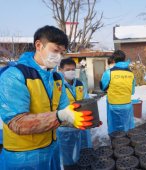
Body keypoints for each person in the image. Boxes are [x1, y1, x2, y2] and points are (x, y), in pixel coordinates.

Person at [0, 25, 93, 170]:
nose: (59, 56)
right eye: (55, 50)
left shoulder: (56, 79)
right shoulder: (15, 76)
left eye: (62, 52)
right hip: (23, 157)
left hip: (52, 151)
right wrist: (61, 116)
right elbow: (16, 122)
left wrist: (82, 119)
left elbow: (65, 111)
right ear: (39, 45)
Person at [57, 58, 92, 170]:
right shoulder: (57, 85)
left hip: (81, 126)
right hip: (65, 129)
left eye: (73, 69)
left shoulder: (80, 84)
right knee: (69, 159)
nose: (71, 71)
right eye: (68, 69)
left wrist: (91, 119)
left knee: (84, 156)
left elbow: (87, 100)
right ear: (61, 70)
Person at [100, 50, 135, 134]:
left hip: (114, 105)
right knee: (126, 126)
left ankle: (116, 143)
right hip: (127, 104)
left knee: (115, 128)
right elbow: (132, 91)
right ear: (124, 59)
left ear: (114, 60)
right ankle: (126, 143)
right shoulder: (131, 73)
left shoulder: (109, 72)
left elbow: (102, 87)